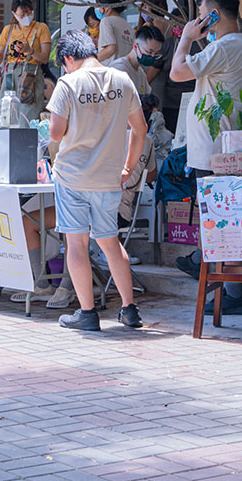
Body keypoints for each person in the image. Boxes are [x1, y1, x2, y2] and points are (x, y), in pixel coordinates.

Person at [168, 0, 242, 316]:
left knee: (221, 221)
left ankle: (220, 280)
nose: (198, 21)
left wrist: (185, 38)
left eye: (201, 15)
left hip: (214, 150)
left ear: (213, 15)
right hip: (231, 146)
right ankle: (230, 291)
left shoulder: (225, 46)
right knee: (227, 219)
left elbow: (177, 71)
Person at [47, 29, 148, 331]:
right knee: (111, 243)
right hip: (108, 177)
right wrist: (128, 168)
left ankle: (88, 313)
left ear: (67, 58)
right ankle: (129, 310)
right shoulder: (122, 80)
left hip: (72, 176)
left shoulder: (67, 83)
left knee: (76, 243)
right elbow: (140, 130)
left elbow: (54, 133)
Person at [0, 0, 51, 122]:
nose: (27, 16)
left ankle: (28, 140)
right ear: (14, 13)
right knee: (6, 114)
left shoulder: (41, 28)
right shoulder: (8, 29)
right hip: (10, 74)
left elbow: (45, 58)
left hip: (30, 73)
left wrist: (31, 51)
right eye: (22, 14)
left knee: (28, 114)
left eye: (29, 12)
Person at [142, 0, 194, 132]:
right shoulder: (169, 44)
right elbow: (154, 68)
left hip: (193, 100)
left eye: (181, 23)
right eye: (175, 23)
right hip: (171, 102)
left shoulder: (201, 45)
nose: (178, 27)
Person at [111, 23, 164, 97]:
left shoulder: (140, 73)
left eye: (156, 54)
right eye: (149, 52)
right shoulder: (120, 69)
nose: (152, 56)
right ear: (136, 46)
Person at [93, 0, 135, 65]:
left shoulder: (106, 21)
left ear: (107, 6)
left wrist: (91, 60)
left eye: (98, 5)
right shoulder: (128, 25)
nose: (96, 9)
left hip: (111, 70)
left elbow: (111, 48)